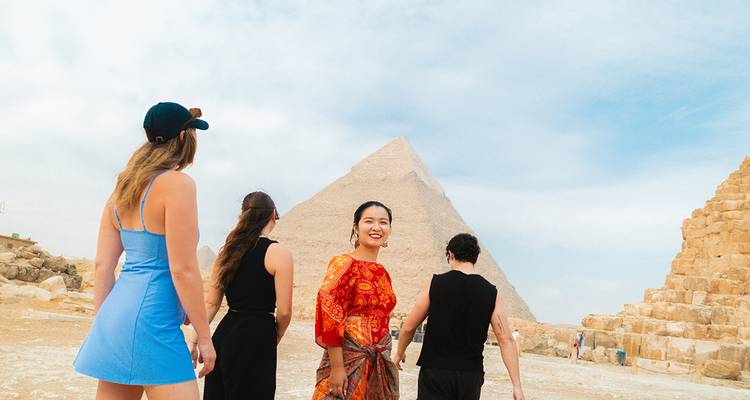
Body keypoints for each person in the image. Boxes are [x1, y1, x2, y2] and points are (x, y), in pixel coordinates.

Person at [74, 102, 216, 399]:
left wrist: (106, 327)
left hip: (115, 316)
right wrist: (205, 338)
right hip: (155, 321)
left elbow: (103, 264)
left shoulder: (122, 190)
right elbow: (183, 269)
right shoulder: (178, 185)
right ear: (182, 138)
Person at [393, 233, 525, 400]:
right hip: (470, 375)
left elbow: (409, 327)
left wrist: (399, 354)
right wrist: (516, 386)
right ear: (475, 258)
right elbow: (505, 339)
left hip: (435, 371)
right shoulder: (491, 292)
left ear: (450, 255)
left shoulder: (436, 283)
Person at [192, 192, 294, 400]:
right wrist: (275, 336)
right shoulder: (278, 252)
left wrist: (194, 341)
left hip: (225, 334)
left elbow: (211, 303)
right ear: (273, 214)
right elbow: (284, 311)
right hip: (258, 336)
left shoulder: (227, 252)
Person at [312, 201, 399, 400]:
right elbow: (330, 314)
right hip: (348, 361)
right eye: (369, 221)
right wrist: (337, 368)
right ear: (355, 227)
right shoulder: (344, 263)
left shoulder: (383, 272)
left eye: (383, 222)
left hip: (377, 365)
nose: (377, 228)